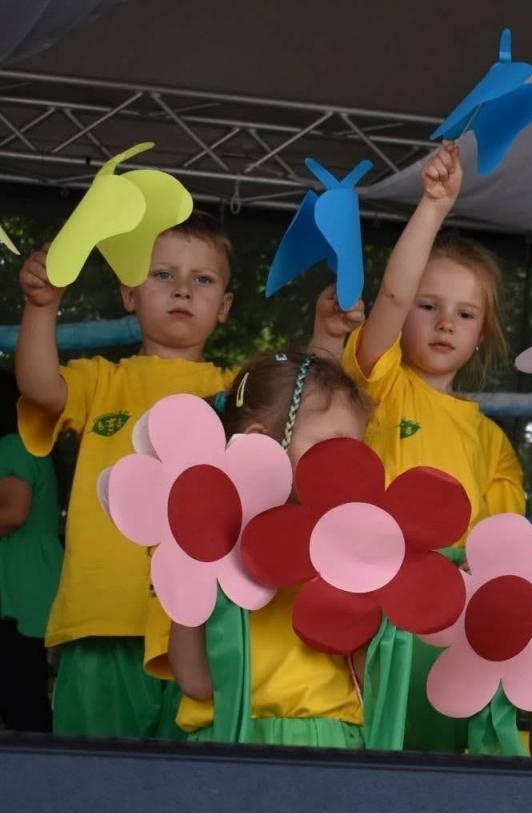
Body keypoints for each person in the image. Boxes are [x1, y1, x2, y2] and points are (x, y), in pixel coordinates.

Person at [14, 214, 236, 738]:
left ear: (224, 307)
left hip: (201, 628)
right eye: (162, 275)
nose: (182, 289)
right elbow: (41, 386)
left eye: (202, 279)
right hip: (101, 620)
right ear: (129, 294)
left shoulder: (239, 390)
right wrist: (42, 306)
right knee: (93, 789)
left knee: (195, 795)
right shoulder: (101, 379)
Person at [341, 141, 527, 753]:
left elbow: (504, 550)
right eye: (430, 306)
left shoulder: (493, 441)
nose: (445, 323)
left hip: (455, 624)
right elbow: (389, 298)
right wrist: (433, 207)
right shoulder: (380, 385)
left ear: (482, 335)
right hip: (375, 603)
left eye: (466, 314)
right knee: (375, 757)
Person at [145, 352, 409, 748]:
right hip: (231, 745)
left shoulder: (346, 552)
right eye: (329, 447)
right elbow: (197, 682)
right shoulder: (206, 547)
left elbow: (365, 679)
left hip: (328, 744)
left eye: (354, 449)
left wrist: (373, 587)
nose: (347, 464)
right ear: (260, 443)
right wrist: (195, 570)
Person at [0, 371, 62, 732]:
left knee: (21, 700)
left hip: (17, 586)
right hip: (31, 580)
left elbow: (12, 513)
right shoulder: (30, 445)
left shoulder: (11, 446)